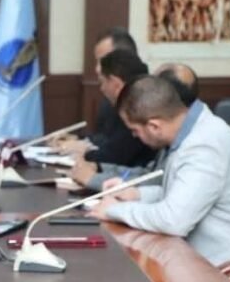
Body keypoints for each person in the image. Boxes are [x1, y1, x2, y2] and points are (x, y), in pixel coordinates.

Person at [88, 76, 230, 282]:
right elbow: (183, 193)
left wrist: (113, 210)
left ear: (154, 126)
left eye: (135, 131)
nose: (135, 137)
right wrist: (135, 194)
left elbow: (174, 220)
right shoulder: (194, 133)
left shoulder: (205, 144)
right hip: (214, 280)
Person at [69, 62, 199, 190]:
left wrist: (93, 179)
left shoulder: (195, 145)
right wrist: (100, 168)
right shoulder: (172, 132)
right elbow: (148, 174)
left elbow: (155, 184)